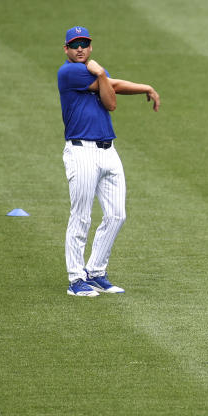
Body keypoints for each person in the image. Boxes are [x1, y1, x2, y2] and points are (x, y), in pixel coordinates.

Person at [58, 26, 160, 297]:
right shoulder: (69, 72)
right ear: (66, 49)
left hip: (107, 151)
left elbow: (111, 85)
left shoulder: (93, 71)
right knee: (81, 216)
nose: (80, 49)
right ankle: (76, 278)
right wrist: (102, 73)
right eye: (74, 44)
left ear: (90, 47)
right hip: (82, 151)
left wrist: (145, 87)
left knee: (117, 215)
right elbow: (111, 99)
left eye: (84, 44)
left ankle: (95, 271)